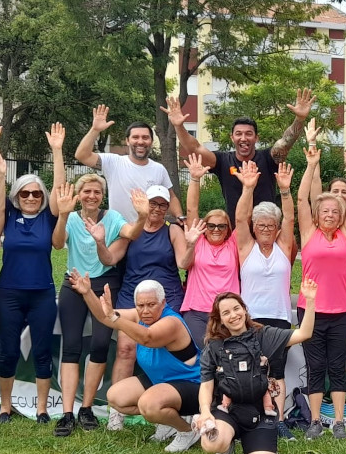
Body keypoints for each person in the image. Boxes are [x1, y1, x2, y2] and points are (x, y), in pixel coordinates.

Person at [53, 173, 148, 436]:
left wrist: (141, 216)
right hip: (74, 283)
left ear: (102, 195)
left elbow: (131, 233)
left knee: (100, 344)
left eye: (97, 192)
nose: (92, 196)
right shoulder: (71, 217)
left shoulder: (113, 217)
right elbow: (58, 243)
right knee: (71, 346)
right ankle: (67, 413)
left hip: (105, 284)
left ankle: (86, 408)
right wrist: (62, 215)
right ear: (80, 195)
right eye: (87, 192)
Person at [0, 118, 64, 425]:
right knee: (8, 350)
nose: (32, 198)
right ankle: (5, 406)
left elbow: (59, 187)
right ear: (17, 195)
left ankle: (42, 408)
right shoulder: (8, 213)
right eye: (26, 193)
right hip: (9, 293)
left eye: (37, 194)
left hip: (42, 293)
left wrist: (57, 151)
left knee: (43, 351)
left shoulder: (48, 217)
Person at [194, 284, 319, 454]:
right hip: (228, 410)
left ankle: (254, 447)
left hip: (260, 413)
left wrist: (310, 301)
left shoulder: (264, 335)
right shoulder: (214, 346)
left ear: (244, 309)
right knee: (211, 443)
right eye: (226, 313)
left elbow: (304, 333)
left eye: (236, 308)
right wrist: (206, 411)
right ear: (220, 320)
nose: (233, 315)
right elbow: (206, 383)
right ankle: (226, 445)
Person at [295, 123, 346, 439]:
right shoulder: (309, 232)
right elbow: (301, 199)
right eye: (324, 210)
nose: (330, 214)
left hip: (340, 311)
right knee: (316, 367)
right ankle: (314, 421)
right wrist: (312, 165)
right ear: (317, 214)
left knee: (338, 366)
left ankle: (338, 421)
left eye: (334, 211)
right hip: (310, 311)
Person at [71, 278, 204, 454]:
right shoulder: (138, 315)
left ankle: (187, 431)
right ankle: (168, 421)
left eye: (151, 304)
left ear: (163, 303)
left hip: (192, 385)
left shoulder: (172, 322)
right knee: (116, 397)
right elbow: (105, 316)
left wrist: (115, 318)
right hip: (160, 381)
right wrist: (87, 293)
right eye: (140, 306)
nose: (145, 311)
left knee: (149, 405)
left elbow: (147, 338)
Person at [101, 185, 194, 433]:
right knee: (125, 349)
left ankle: (169, 411)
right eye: (152, 203)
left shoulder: (173, 230)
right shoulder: (131, 230)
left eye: (162, 205)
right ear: (142, 204)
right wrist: (99, 241)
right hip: (134, 298)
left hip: (167, 299)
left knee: (165, 353)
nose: (157, 209)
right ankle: (116, 414)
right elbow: (110, 259)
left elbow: (183, 262)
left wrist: (192, 243)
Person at [164, 89, 313, 220]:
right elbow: (194, 148)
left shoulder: (268, 158)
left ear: (256, 138)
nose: (243, 138)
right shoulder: (222, 161)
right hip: (237, 233)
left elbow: (285, 141)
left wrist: (299, 119)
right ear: (232, 137)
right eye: (238, 134)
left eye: (249, 134)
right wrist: (179, 126)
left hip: (266, 230)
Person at [234, 158, 299, 438]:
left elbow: (291, 219)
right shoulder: (246, 247)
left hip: (279, 317)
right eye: (260, 224)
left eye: (270, 225)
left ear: (277, 227)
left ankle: (279, 420)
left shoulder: (284, 246)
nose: (265, 228)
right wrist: (248, 189)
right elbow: (239, 219)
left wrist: (285, 191)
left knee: (277, 372)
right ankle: (254, 417)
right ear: (254, 226)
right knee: (250, 371)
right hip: (250, 318)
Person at [73, 105, 182, 221]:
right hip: (119, 231)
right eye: (135, 137)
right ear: (127, 141)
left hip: (147, 233)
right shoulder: (113, 162)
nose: (140, 141)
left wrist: (180, 217)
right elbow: (82, 155)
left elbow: (171, 196)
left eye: (145, 137)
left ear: (151, 141)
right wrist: (95, 130)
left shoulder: (159, 169)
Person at [181, 153, 243, 347]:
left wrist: (247, 187)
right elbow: (191, 210)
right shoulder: (198, 239)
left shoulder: (233, 244)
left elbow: (242, 216)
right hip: (197, 311)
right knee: (206, 356)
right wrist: (195, 179)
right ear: (204, 227)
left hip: (228, 311)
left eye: (221, 226)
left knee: (228, 357)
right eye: (211, 225)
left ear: (228, 229)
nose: (216, 229)